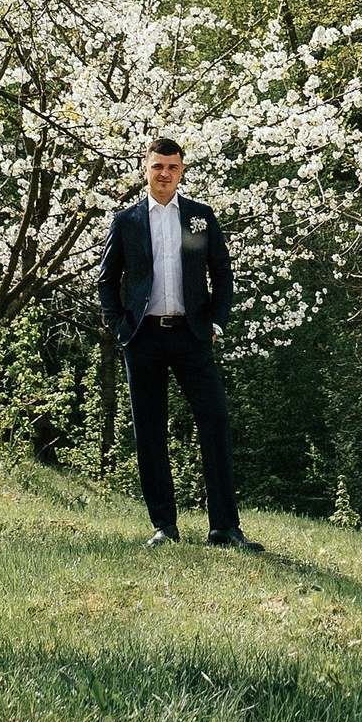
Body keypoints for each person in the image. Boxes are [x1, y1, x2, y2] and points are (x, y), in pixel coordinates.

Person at [96, 137, 262, 551]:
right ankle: (164, 527)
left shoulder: (200, 218)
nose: (164, 174)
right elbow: (106, 281)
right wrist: (121, 328)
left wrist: (216, 324)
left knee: (216, 423)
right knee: (149, 431)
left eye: (172, 167)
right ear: (145, 169)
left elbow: (222, 274)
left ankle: (225, 528)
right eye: (157, 166)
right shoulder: (127, 221)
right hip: (143, 337)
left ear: (182, 170)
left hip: (193, 336)